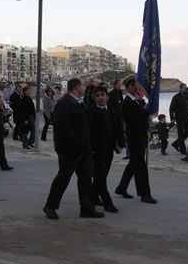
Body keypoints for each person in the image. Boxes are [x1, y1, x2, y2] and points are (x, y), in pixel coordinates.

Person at [43, 78, 104, 220]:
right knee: (63, 177)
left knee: (85, 179)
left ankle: (87, 209)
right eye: (83, 85)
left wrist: (90, 144)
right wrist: (77, 142)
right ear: (76, 87)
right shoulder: (64, 104)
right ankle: (50, 206)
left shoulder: (80, 103)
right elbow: (62, 127)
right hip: (69, 150)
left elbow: (87, 124)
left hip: (84, 149)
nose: (85, 88)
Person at [114, 75, 157, 204]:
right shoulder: (127, 103)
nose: (136, 88)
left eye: (136, 85)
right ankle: (144, 193)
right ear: (127, 88)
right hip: (134, 138)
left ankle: (121, 188)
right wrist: (147, 112)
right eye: (133, 86)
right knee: (140, 166)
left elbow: (142, 115)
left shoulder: (138, 101)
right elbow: (135, 119)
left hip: (141, 136)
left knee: (133, 164)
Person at [90, 86, 125, 213]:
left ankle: (93, 197)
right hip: (96, 150)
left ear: (107, 97)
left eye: (102, 95)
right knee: (100, 177)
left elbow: (117, 128)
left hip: (109, 149)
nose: (100, 97)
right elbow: (89, 133)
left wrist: (120, 144)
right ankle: (107, 202)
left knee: (102, 175)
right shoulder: (91, 112)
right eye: (97, 95)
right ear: (94, 98)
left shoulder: (111, 111)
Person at [169, 84, 188, 155]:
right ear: (180, 88)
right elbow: (171, 108)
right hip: (179, 118)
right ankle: (183, 150)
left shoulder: (186, 96)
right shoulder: (176, 97)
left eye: (185, 88)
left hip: (186, 117)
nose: (185, 89)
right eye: (183, 88)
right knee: (180, 134)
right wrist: (172, 118)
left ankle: (175, 143)